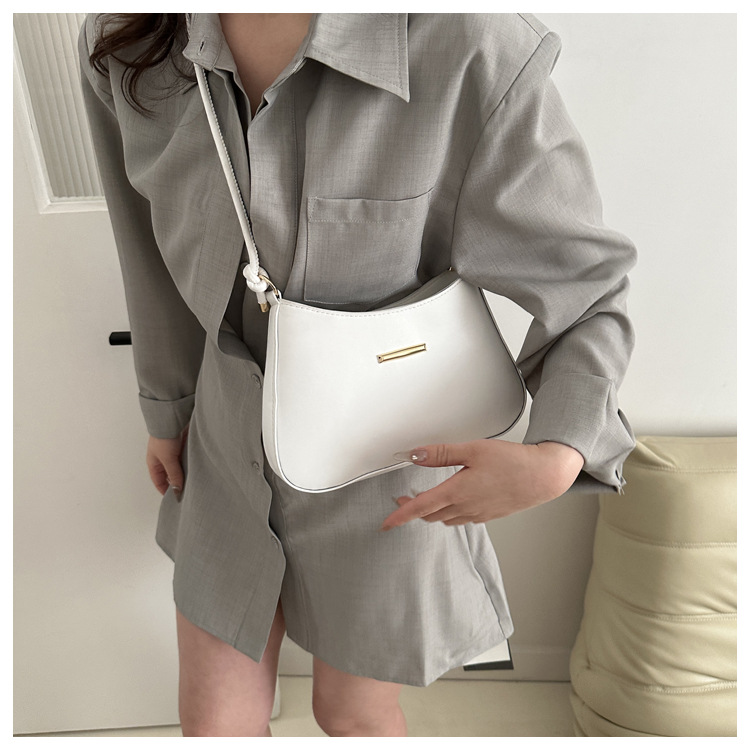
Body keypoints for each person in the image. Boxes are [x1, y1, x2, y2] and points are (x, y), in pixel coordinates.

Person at [78, 13, 637, 737]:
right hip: (221, 444)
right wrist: (169, 405)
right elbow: (145, 251)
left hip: (388, 469)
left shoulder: (466, 45)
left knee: (354, 717)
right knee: (213, 722)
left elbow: (585, 286)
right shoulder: (128, 41)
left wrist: (559, 455)